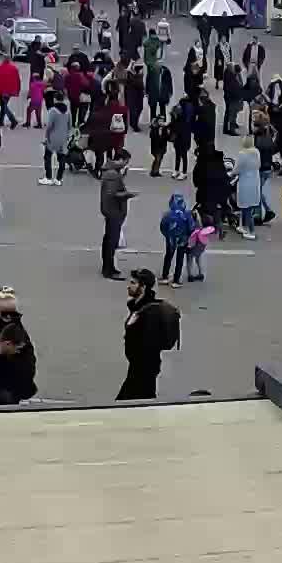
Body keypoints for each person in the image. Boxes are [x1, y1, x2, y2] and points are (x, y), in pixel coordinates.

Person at [117, 268, 179, 400]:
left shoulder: (149, 312)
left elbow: (148, 343)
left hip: (143, 369)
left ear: (143, 287)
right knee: (144, 400)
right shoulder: (138, 305)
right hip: (137, 368)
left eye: (133, 283)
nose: (129, 286)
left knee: (131, 402)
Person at [98, 148, 136, 279]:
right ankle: (108, 269)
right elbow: (112, 193)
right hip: (114, 211)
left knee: (109, 239)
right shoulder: (112, 174)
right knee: (111, 241)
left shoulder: (112, 173)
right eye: (125, 161)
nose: (126, 164)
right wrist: (127, 194)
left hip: (111, 210)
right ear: (119, 160)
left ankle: (108, 266)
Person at [159, 193, 195, 287]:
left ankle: (165, 277)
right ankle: (176, 280)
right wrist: (188, 236)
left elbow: (162, 226)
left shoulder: (167, 214)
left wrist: (167, 235)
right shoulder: (186, 214)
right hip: (182, 239)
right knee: (180, 259)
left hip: (170, 239)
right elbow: (191, 227)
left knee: (168, 256)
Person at [232, 135, 262, 239]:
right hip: (254, 181)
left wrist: (231, 174)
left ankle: (251, 231)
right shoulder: (256, 152)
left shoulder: (242, 154)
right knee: (248, 206)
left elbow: (236, 169)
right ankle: (242, 226)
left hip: (245, 182)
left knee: (246, 207)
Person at [41, 91, 71, 186]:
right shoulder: (67, 111)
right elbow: (70, 125)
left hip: (53, 138)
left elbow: (49, 126)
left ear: (55, 99)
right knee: (61, 158)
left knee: (48, 157)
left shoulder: (53, 111)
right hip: (63, 138)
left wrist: (46, 137)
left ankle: (49, 177)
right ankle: (59, 178)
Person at [0, 55, 22, 129]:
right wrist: (17, 90)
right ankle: (1, 121)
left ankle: (13, 120)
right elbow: (18, 80)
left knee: (4, 106)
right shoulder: (14, 68)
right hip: (10, 91)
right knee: (3, 105)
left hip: (1, 90)